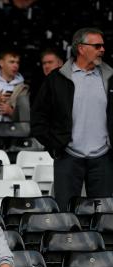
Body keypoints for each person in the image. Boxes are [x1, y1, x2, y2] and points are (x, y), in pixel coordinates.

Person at [32, 27, 113, 209]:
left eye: (103, 45)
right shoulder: (56, 79)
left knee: (104, 219)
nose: (103, 50)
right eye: (97, 45)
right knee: (66, 216)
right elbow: (38, 118)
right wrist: (56, 144)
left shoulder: (110, 77)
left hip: (103, 158)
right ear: (81, 48)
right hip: (68, 157)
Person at [0, 50, 30, 124]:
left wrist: (11, 112)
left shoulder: (24, 88)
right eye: (12, 62)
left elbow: (26, 118)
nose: (16, 65)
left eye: (17, 62)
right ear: (1, 63)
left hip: (14, 131)